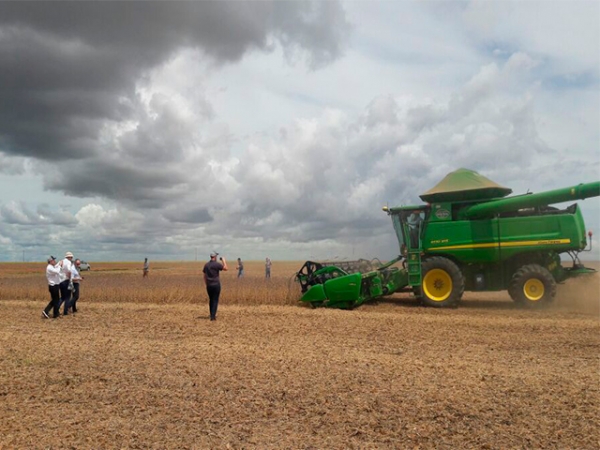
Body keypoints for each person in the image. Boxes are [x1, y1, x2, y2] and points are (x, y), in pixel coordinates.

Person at [203, 251, 228, 321]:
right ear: (215, 256)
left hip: (209, 285)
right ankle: (213, 317)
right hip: (216, 285)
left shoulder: (206, 265)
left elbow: (204, 276)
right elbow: (226, 268)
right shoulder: (217, 264)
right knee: (215, 300)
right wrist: (224, 261)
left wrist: (207, 284)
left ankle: (211, 314)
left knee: (211, 300)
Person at [58, 251, 74, 315]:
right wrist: (70, 279)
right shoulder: (68, 262)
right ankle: (65, 311)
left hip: (60, 281)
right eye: (71, 257)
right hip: (66, 281)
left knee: (62, 297)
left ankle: (56, 309)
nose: (72, 258)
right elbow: (69, 271)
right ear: (69, 257)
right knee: (67, 297)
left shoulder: (61, 261)